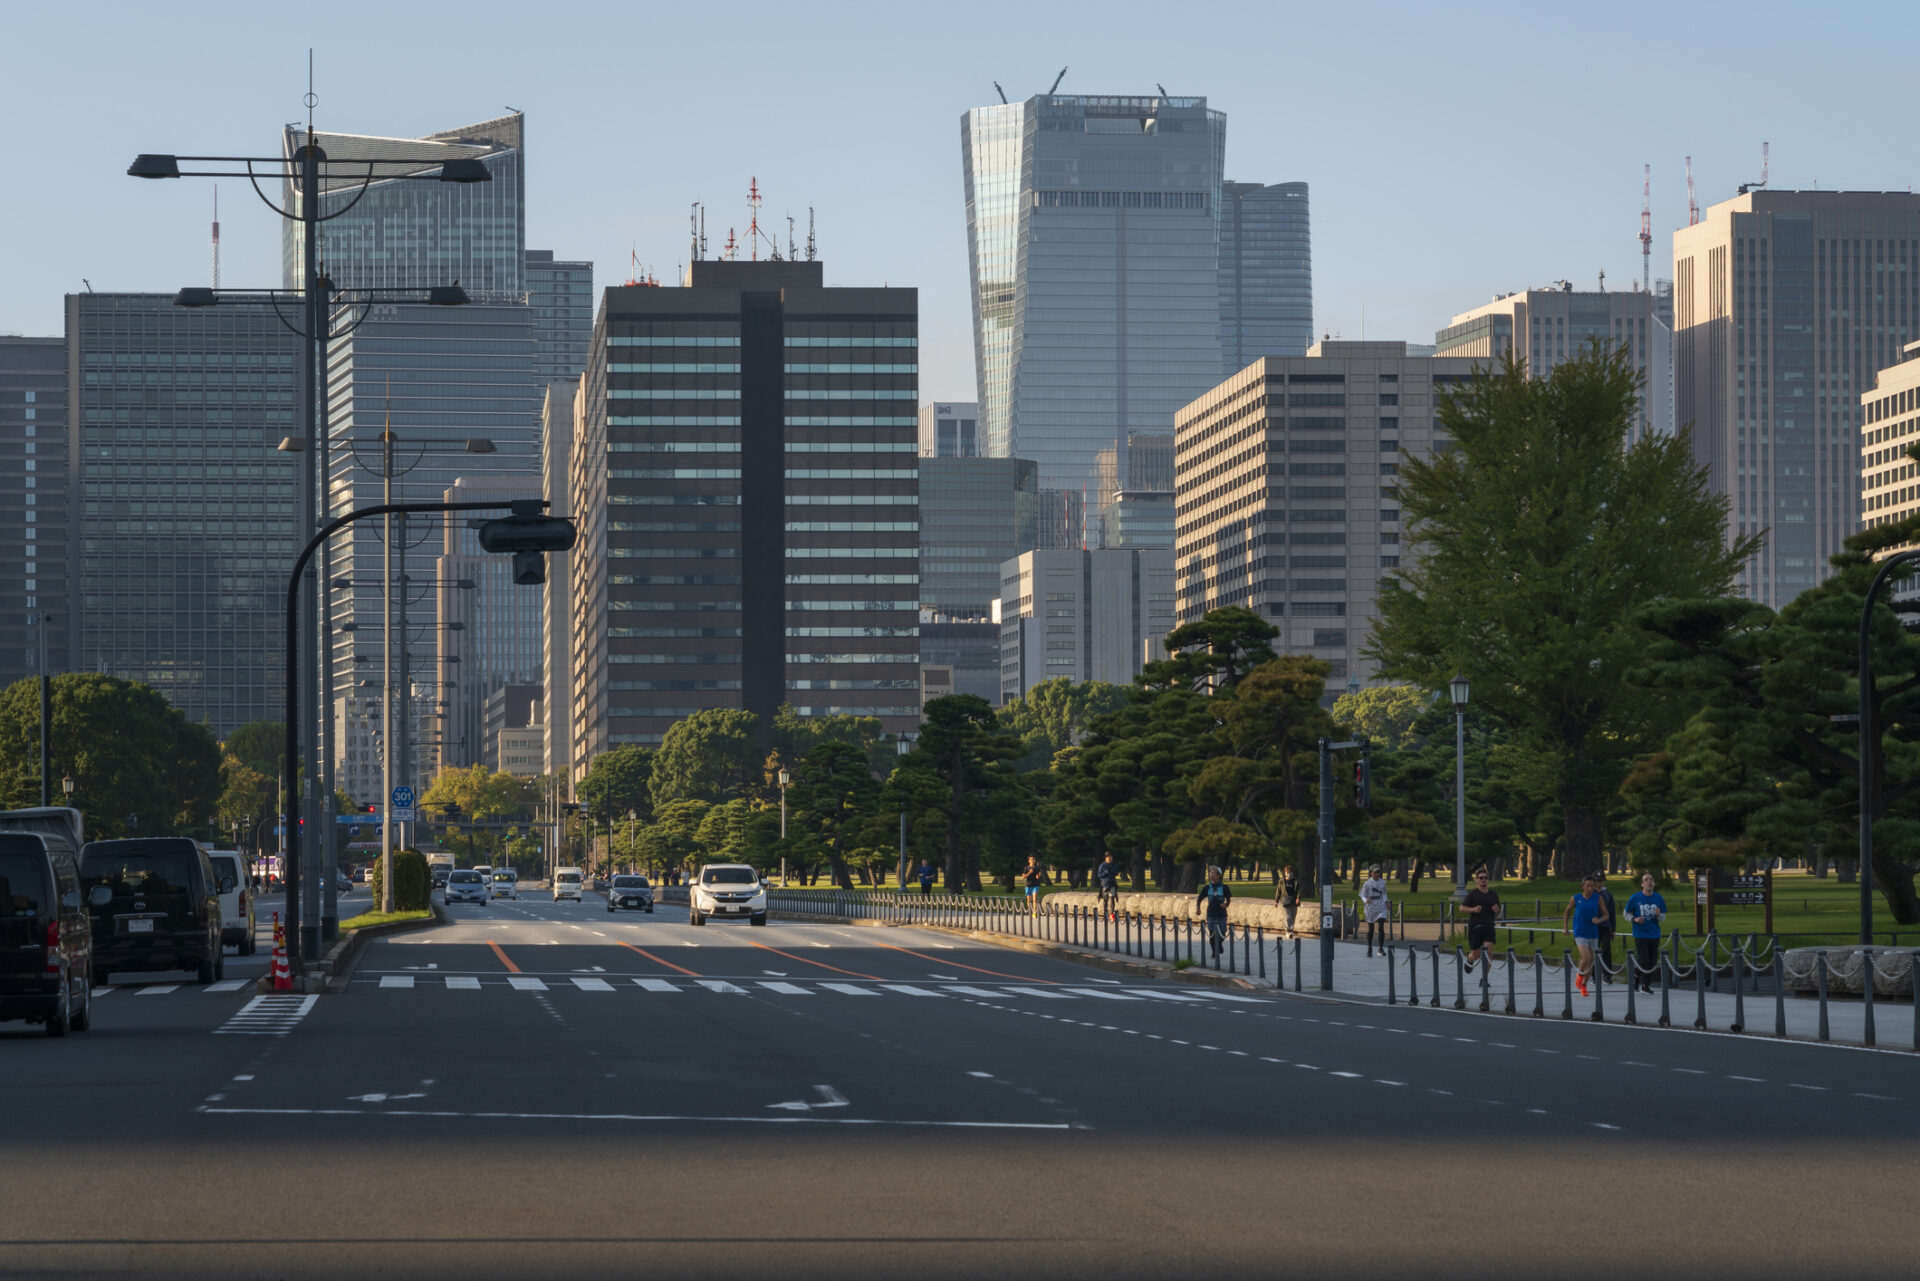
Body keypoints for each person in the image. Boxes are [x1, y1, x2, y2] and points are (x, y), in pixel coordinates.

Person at [1562, 874, 1609, 997]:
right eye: (1587, 886)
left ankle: (1584, 985)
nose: (1590, 889)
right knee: (1586, 957)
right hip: (1580, 932)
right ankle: (1579, 975)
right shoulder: (1576, 898)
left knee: (1590, 962)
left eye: (1592, 886)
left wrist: (1599, 920)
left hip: (1593, 932)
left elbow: (1606, 914)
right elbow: (1567, 912)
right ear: (1583, 886)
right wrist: (1565, 927)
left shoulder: (1598, 898)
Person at [1624, 872, 1668, 994]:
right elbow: (1626, 913)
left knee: (1653, 962)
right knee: (1644, 960)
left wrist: (1659, 916)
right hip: (1640, 933)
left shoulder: (1658, 898)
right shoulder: (1635, 898)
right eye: (1646, 879)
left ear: (1653, 883)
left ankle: (1646, 985)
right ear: (1642, 884)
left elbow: (1663, 917)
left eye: (1651, 879)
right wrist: (1635, 919)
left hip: (1654, 934)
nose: (1649, 881)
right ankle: (1637, 976)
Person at [1461, 866, 1501, 969]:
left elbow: (1498, 911)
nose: (1483, 880)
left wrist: (1497, 910)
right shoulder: (1472, 895)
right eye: (1481, 878)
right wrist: (1473, 909)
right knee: (1476, 953)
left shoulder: (1493, 894)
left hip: (1489, 926)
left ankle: (1485, 979)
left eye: (1485, 878)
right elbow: (1461, 908)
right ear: (1477, 880)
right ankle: (1470, 959)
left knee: (1489, 952)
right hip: (1475, 926)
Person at [1196, 866, 1232, 960]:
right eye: (1210, 873)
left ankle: (1219, 945)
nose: (1211, 875)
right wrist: (1198, 908)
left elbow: (1228, 899)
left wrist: (1226, 905)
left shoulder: (1224, 887)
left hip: (1221, 914)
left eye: (1213, 873)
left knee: (1222, 934)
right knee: (1212, 934)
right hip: (1211, 914)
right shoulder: (1207, 887)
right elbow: (1199, 898)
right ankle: (1214, 953)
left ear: (1218, 875)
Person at [1359, 865, 1390, 957]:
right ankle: (1369, 948)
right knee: (1371, 929)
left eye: (1378, 872)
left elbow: (1384, 894)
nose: (1376, 874)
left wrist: (1387, 902)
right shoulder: (1367, 883)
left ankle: (1380, 948)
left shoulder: (1383, 882)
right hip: (1371, 906)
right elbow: (1362, 895)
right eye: (1375, 872)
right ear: (1371, 873)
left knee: (1381, 927)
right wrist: (1365, 900)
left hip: (1380, 905)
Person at [1594, 874, 1620, 976]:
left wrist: (1613, 929)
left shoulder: (1607, 894)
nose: (1599, 883)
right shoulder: (1590, 893)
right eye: (1597, 881)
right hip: (1593, 926)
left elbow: (1612, 912)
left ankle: (1607, 974)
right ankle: (1594, 974)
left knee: (1606, 949)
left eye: (1600, 881)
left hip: (1605, 926)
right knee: (1593, 950)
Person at [1095, 852, 1121, 922]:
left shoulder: (1114, 865)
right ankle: (1105, 913)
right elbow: (1099, 875)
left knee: (1112, 898)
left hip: (1112, 884)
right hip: (1105, 885)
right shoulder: (1102, 866)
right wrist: (1105, 873)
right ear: (1105, 858)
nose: (1109, 858)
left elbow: (1116, 873)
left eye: (1110, 857)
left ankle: (1112, 914)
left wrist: (1112, 871)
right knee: (1105, 900)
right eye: (1108, 857)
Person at [1277, 865, 1300, 936]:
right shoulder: (1282, 882)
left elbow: (1298, 891)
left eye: (1290, 872)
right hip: (1285, 901)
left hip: (1293, 900)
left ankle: (1291, 929)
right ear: (1285, 873)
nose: (1289, 874)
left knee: (1293, 915)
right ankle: (1288, 930)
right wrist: (1276, 900)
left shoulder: (1295, 882)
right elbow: (1278, 891)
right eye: (1288, 872)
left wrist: (1298, 898)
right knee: (1287, 916)